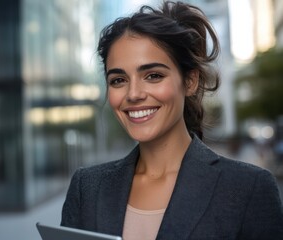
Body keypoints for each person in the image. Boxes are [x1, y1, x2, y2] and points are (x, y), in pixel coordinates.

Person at [60, 1, 283, 239]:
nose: (133, 94)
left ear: (190, 81)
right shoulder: (87, 188)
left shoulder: (248, 188)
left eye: (153, 76)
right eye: (118, 80)